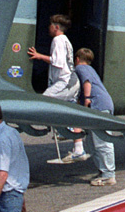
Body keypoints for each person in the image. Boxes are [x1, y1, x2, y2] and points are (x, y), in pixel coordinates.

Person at [28, 14, 86, 163]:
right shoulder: (65, 40)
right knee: (72, 113)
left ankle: (64, 131)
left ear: (56, 27)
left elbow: (57, 62)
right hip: (71, 82)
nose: (49, 28)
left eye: (50, 25)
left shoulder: (58, 40)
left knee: (45, 100)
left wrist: (38, 56)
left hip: (65, 82)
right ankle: (79, 150)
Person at [74, 48, 116, 186]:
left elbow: (87, 82)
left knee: (102, 141)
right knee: (92, 143)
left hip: (99, 106)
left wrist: (86, 98)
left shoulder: (81, 68)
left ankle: (109, 175)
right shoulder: (90, 68)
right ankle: (103, 171)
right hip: (101, 105)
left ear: (78, 59)